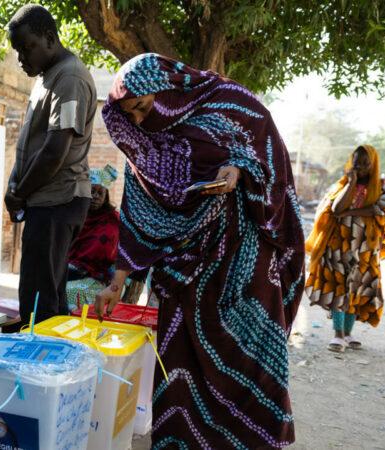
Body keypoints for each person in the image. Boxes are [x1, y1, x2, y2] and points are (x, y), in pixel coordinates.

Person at [95, 54, 305, 447]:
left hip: (243, 269)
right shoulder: (145, 145)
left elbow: (264, 152)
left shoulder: (228, 103)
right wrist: (116, 282)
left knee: (249, 364)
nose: (140, 121)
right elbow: (137, 215)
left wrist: (238, 169)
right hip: (184, 278)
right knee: (180, 375)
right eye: (132, 115)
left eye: (142, 107)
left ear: (167, 88)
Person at [4, 4, 97, 324]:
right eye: (17, 50)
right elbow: (33, 144)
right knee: (47, 295)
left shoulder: (69, 76)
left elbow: (56, 149)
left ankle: (39, 370)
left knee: (39, 300)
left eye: (26, 47)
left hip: (59, 199)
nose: (21, 58)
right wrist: (14, 185)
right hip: (46, 200)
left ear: (50, 38)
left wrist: (20, 192)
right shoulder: (49, 76)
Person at [306, 145, 385, 352]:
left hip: (366, 248)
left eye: (365, 163)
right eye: (356, 162)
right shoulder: (342, 185)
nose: (360, 167)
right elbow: (336, 208)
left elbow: (380, 210)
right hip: (338, 246)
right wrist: (352, 183)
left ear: (373, 163)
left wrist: (350, 213)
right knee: (339, 287)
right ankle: (338, 334)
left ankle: (348, 334)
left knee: (356, 288)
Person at [65, 165, 120, 311]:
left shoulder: (112, 220)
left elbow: (108, 253)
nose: (95, 197)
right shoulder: (75, 215)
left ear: (105, 196)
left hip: (100, 278)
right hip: (70, 270)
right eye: (92, 191)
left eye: (100, 193)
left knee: (68, 291)